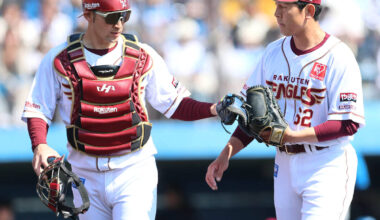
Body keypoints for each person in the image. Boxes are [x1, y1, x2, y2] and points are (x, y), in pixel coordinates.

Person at [21, 0, 217, 219]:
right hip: (84, 173)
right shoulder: (59, 58)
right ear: (89, 14)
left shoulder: (144, 56)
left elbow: (176, 104)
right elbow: (38, 109)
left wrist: (214, 108)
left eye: (124, 16)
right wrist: (40, 144)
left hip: (133, 170)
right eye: (111, 17)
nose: (119, 25)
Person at [205, 0, 365, 219]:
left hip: (326, 163)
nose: (276, 13)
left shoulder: (339, 56)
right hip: (284, 163)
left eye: (283, 7)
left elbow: (348, 123)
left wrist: (292, 136)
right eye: (276, 5)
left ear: (308, 10)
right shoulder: (273, 52)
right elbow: (253, 116)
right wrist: (226, 153)